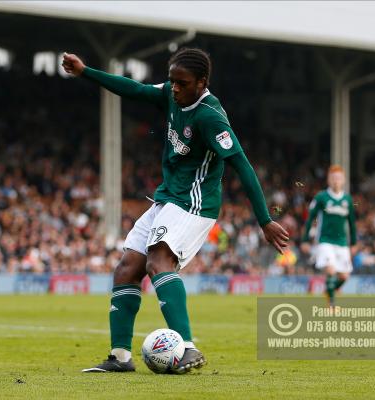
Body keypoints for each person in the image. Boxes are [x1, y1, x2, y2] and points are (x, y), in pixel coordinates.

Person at [62, 48, 289, 374]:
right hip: (167, 198)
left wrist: (265, 219)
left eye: (182, 83)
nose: (175, 89)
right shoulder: (171, 93)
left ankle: (189, 348)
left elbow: (242, 164)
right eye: (172, 82)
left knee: (158, 261)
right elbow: (134, 90)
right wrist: (86, 72)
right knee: (127, 268)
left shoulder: (210, 117)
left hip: (195, 204)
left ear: (202, 82)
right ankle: (120, 358)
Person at [301, 165, 357, 308]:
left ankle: (329, 290)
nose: (336, 181)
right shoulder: (321, 197)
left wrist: (354, 243)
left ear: (343, 180)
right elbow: (310, 218)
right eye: (333, 178)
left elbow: (352, 223)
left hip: (342, 242)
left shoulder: (347, 200)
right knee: (331, 271)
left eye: (338, 178)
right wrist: (305, 240)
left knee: (344, 276)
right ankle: (331, 305)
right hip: (325, 241)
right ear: (328, 180)